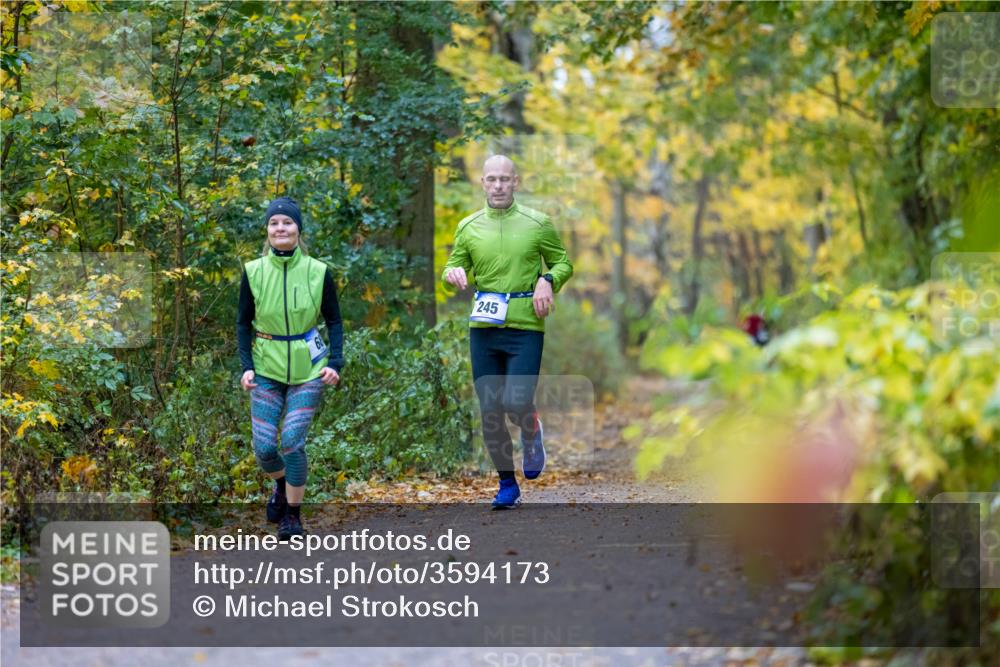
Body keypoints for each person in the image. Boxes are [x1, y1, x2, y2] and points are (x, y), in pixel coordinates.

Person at [441, 155, 573, 509]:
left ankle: (532, 431)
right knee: (490, 410)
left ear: (516, 181)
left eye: (504, 179)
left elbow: (563, 262)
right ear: (482, 183)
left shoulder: (538, 223)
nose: (498, 185)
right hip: (484, 327)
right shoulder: (468, 226)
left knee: (515, 400)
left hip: (526, 325)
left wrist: (548, 280)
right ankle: (506, 484)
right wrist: (452, 273)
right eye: (491, 179)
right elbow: (455, 264)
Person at [236, 196, 343, 540]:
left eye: (287, 223)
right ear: (267, 231)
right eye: (273, 223)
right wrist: (246, 366)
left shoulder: (318, 271)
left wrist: (335, 363)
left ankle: (293, 517)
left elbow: (335, 321)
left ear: (298, 229)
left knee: (293, 442)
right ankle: (281, 486)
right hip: (266, 367)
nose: (280, 228)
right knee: (265, 448)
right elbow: (241, 323)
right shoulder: (253, 272)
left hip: (309, 369)